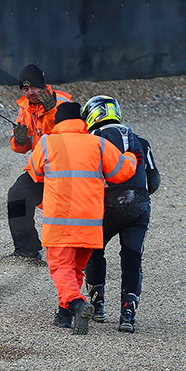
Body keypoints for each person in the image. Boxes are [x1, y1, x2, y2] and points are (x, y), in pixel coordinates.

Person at [27, 101, 137, 334]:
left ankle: (77, 304)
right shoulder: (98, 143)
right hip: (90, 223)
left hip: (60, 221)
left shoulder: (47, 142)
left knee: (60, 268)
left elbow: (35, 173)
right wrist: (130, 156)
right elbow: (121, 173)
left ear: (58, 122)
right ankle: (64, 315)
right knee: (76, 269)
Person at [80, 95, 161, 333]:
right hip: (138, 205)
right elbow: (154, 182)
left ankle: (98, 305)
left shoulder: (92, 139)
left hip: (105, 205)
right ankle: (127, 314)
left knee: (95, 253)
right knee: (132, 257)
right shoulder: (141, 141)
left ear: (92, 115)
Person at [6, 63, 73, 260]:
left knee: (67, 212)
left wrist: (51, 111)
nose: (30, 92)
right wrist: (18, 141)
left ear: (43, 85)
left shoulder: (63, 102)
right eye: (25, 89)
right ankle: (26, 250)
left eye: (33, 87)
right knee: (16, 196)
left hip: (66, 169)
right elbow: (23, 147)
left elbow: (70, 136)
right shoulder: (25, 108)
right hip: (41, 168)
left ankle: (76, 255)